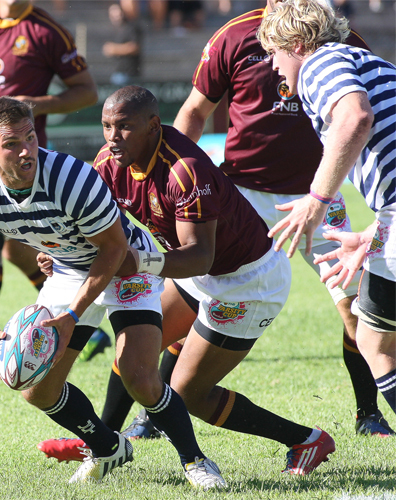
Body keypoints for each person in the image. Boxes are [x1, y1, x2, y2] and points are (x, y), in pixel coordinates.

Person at [38, 86, 336, 476]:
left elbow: (200, 256)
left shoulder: (184, 170)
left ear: (152, 125)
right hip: (189, 269)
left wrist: (139, 261)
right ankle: (104, 443)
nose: (112, 137)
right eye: (107, 125)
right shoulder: (111, 162)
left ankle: (305, 440)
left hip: (244, 282)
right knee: (136, 354)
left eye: (124, 127)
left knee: (189, 393)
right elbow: (92, 225)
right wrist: (61, 252)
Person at [0, 96, 226, 489]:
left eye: (30, 137)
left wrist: (72, 317)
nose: (27, 150)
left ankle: (195, 461)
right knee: (36, 389)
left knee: (139, 377)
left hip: (126, 264)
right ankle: (107, 446)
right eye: (11, 144)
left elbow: (112, 249)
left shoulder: (69, 178)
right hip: (68, 270)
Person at [168, 0, 392, 437]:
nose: (274, 66)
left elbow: (359, 115)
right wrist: (177, 181)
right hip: (242, 196)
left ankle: (368, 413)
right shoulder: (234, 35)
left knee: (356, 308)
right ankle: (156, 410)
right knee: (197, 300)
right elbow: (194, 112)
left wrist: (327, 197)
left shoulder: (332, 43)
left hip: (317, 197)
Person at [0, 0, 108, 370]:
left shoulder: (47, 32)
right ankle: (86, 327)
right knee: (13, 250)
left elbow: (87, 92)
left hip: (27, 157)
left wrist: (36, 105)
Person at [257, 0, 395, 416]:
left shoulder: (321, 62)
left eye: (274, 53)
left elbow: (355, 118)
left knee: (377, 345)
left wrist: (316, 201)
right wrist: (374, 236)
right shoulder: (357, 59)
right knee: (377, 340)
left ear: (297, 43)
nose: (273, 67)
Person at [103, 3, 142, 86]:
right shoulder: (113, 30)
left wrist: (115, 49)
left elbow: (134, 47)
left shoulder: (131, 27)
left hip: (129, 73)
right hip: (117, 72)